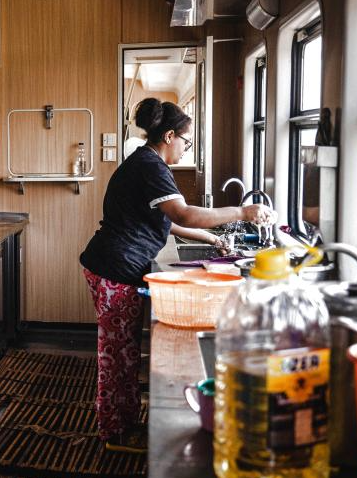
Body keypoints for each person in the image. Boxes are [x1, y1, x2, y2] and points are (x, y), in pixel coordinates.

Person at [79, 98, 275, 452]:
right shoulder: (150, 167)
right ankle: (115, 434)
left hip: (113, 265)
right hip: (115, 269)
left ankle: (123, 423)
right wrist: (243, 212)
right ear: (169, 136)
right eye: (186, 141)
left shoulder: (147, 163)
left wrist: (212, 238)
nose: (187, 149)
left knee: (122, 351)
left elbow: (166, 221)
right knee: (116, 355)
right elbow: (183, 214)